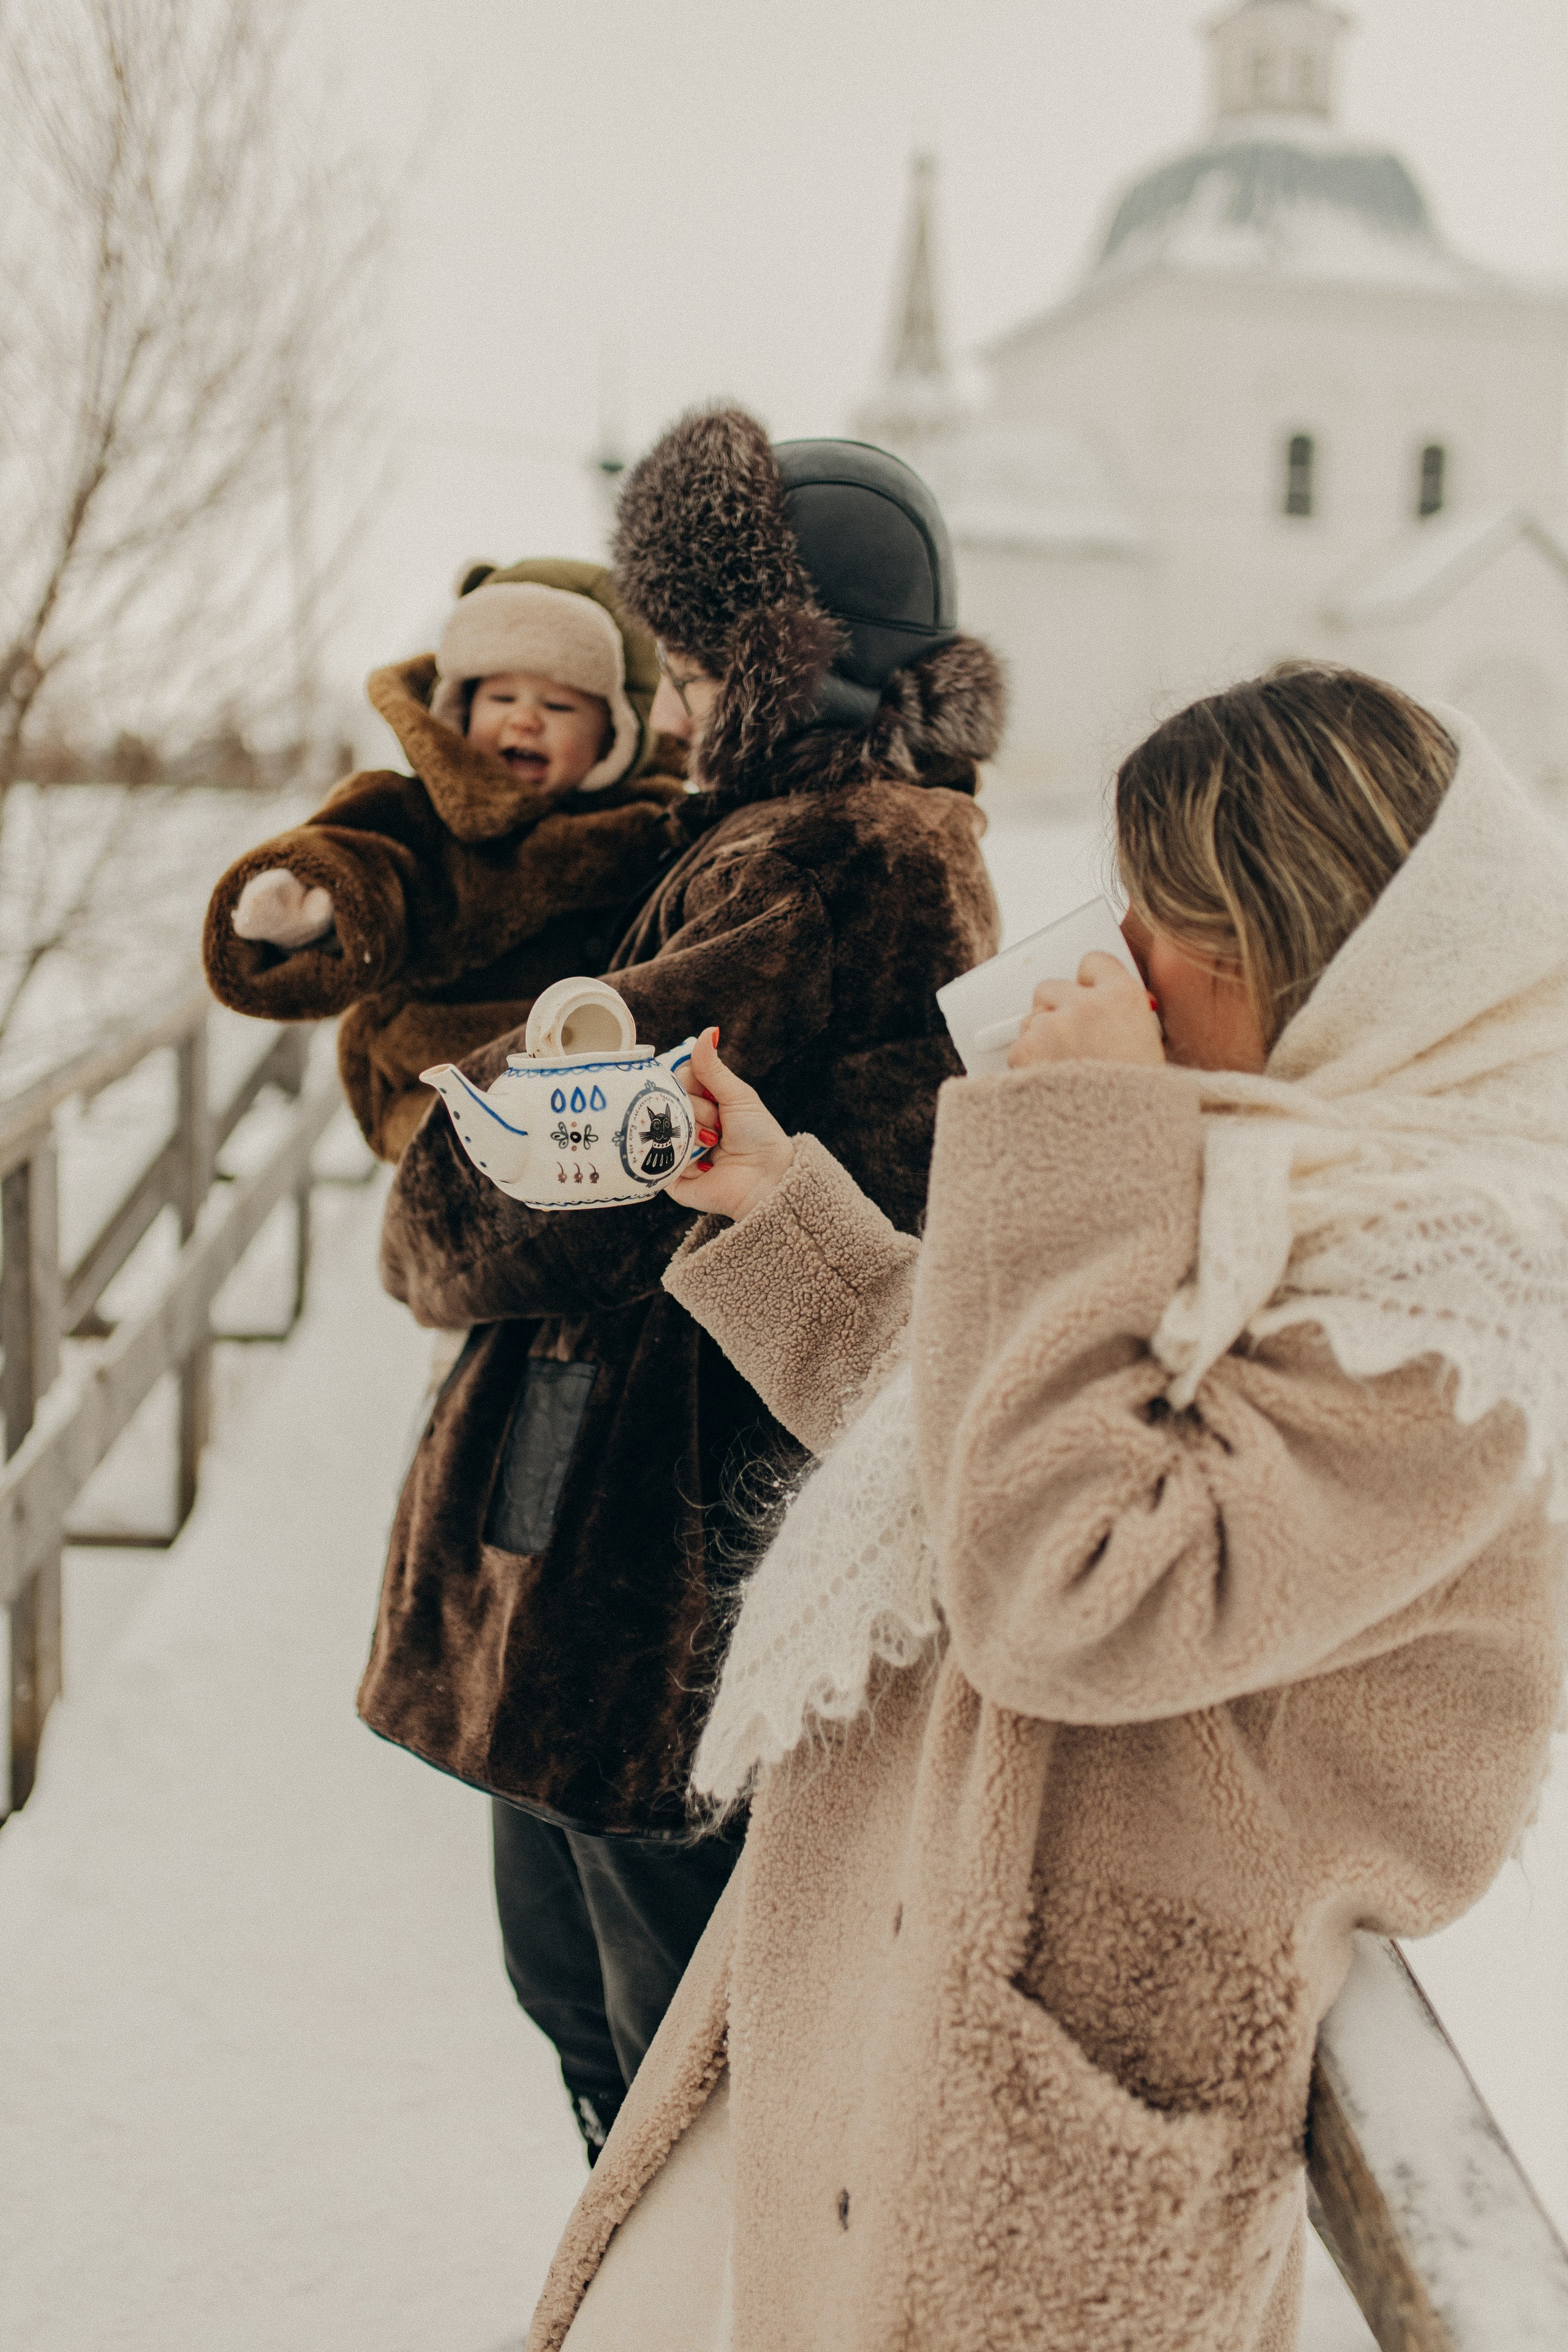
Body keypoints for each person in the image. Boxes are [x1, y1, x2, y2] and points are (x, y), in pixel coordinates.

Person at [532, 666, 1568, 2351]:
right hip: (880, 1980)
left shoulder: (1447, 1305)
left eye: (1165, 919)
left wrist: (1074, 1136)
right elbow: (980, 1426)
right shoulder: (1267, 1179)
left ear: (1310, 950)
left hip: (1028, 2086)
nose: (1118, 957)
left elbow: (1066, 1582)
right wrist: (779, 1199)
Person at [361, 408, 1004, 2160]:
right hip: (669, 1484)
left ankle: (681, 2288)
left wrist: (421, 1200)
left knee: (653, 2043)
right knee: (610, 2005)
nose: (683, 698)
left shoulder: (826, 850)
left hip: (658, 1521)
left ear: (790, 660)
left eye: (705, 658)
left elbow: (538, 1159)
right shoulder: (840, 831)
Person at [203, 560, 687, 1161]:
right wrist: (318, 907)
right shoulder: (421, 815)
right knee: (464, 1184)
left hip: (600, 1113)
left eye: (559, 706)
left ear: (614, 734)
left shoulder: (649, 828)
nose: (525, 718)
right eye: (501, 697)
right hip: (439, 1090)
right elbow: (367, 860)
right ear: (459, 710)